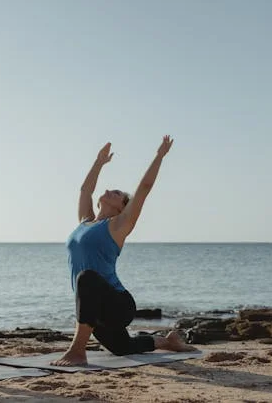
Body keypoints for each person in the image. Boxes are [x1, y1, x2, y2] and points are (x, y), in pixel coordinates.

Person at [51, 136, 196, 366]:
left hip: (118, 303)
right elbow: (85, 190)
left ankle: (77, 351)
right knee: (122, 348)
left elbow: (144, 189)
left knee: (86, 277)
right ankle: (167, 341)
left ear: (121, 208)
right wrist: (99, 162)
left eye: (116, 192)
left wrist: (159, 156)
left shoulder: (119, 226)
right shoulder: (85, 222)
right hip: (95, 307)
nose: (108, 190)